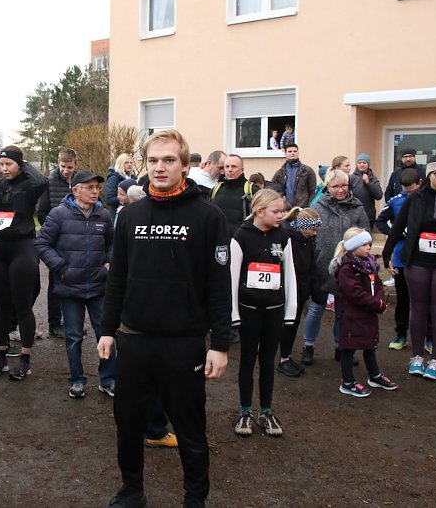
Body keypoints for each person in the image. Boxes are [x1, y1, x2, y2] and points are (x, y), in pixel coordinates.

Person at [98, 129, 231, 508]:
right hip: (134, 339)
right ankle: (131, 490)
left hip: (183, 342)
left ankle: (195, 498)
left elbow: (219, 286)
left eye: (169, 160)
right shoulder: (130, 216)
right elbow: (117, 277)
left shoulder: (208, 216)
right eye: (153, 160)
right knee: (128, 426)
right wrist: (107, 329)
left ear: (185, 165)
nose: (160, 167)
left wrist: (219, 344)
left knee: (190, 429)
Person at [383, 156, 436, 382]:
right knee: (418, 308)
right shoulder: (415, 198)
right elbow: (398, 226)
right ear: (428, 175)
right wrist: (386, 253)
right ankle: (417, 357)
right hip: (417, 259)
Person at [36, 170, 116, 399]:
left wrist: (108, 263)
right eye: (89, 187)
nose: (94, 191)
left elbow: (112, 243)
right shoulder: (58, 214)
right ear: (76, 190)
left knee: (106, 334)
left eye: (96, 187)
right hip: (70, 287)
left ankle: (108, 380)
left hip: (99, 286)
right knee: (73, 337)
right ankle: (77, 380)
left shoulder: (103, 214)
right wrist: (62, 268)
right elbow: (42, 244)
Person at [0, 145, 48, 380]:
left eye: (9, 164)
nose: (4, 169)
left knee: (22, 305)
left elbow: (42, 182)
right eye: (2, 164)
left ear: (20, 165)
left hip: (22, 247)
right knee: (0, 305)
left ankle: (25, 359)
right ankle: (1, 356)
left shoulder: (29, 185)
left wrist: (23, 164)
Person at [229, 189, 296, 437]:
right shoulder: (241, 236)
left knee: (268, 360)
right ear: (259, 211)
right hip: (248, 309)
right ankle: (245, 411)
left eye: (282, 211)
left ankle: (266, 411)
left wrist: (291, 310)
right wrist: (233, 313)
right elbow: (232, 277)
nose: (282, 215)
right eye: (276, 211)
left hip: (274, 310)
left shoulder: (283, 235)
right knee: (247, 360)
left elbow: (290, 274)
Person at [300, 169, 369, 365]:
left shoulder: (357, 207)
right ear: (328, 187)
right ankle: (308, 346)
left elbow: (365, 235)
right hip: (321, 267)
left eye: (344, 185)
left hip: (348, 269)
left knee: (343, 312)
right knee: (315, 310)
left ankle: (341, 348)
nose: (341, 190)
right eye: (336, 186)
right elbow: (309, 236)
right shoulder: (319, 206)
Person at [331, 228, 398, 397]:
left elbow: (379, 285)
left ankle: (374, 375)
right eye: (364, 244)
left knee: (370, 344)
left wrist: (380, 300)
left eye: (369, 243)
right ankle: (348, 381)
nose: (369, 247)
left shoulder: (370, 264)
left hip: (368, 312)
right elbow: (355, 293)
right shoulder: (347, 268)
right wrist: (376, 303)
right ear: (353, 246)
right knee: (348, 347)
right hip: (352, 314)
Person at [376, 168, 422, 350]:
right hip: (402, 258)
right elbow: (381, 221)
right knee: (403, 299)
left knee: (423, 301)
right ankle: (401, 334)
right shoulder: (396, 201)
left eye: (411, 190)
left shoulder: (427, 200)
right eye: (405, 190)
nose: (408, 194)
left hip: (423, 259)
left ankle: (428, 337)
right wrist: (396, 232)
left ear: (420, 184)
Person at [277, 208, 324, 377]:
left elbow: (311, 266)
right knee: (286, 326)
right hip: (288, 291)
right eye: (312, 229)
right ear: (302, 226)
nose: (314, 233)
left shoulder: (307, 240)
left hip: (301, 290)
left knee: (293, 325)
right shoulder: (287, 238)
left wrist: (316, 291)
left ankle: (287, 356)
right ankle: (283, 359)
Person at [36, 148, 79, 339]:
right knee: (56, 282)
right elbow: (42, 213)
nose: (66, 170)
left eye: (69, 167)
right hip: (57, 240)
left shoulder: (80, 181)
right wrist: (58, 228)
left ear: (75, 164)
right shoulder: (49, 183)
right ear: (58, 163)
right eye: (63, 166)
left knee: (74, 281)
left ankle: (71, 322)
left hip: (77, 239)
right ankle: (54, 323)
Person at [211, 154, 256, 237]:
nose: (230, 170)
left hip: (243, 240)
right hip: (220, 240)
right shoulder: (216, 190)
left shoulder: (252, 190)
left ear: (242, 170)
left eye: (234, 166)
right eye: (227, 167)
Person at [269, 143, 316, 208]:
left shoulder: (308, 171)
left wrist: (309, 207)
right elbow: (273, 192)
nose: (292, 153)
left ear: (298, 153)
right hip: (285, 210)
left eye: (295, 151)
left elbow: (313, 192)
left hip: (302, 209)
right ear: (285, 154)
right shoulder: (279, 173)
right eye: (290, 151)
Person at [348, 153, 383, 228]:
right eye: (359, 163)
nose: (361, 165)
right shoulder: (351, 178)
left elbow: (379, 196)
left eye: (364, 163)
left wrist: (368, 183)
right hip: (353, 214)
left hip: (368, 215)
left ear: (368, 164)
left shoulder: (373, 178)